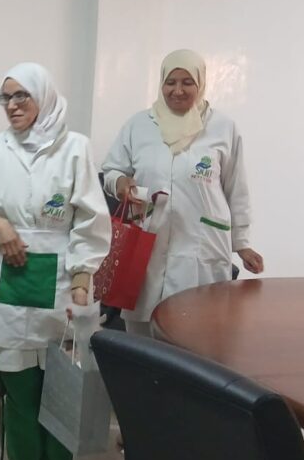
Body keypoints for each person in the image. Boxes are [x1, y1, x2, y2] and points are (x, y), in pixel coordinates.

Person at [0, 63, 111, 460]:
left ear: (44, 97)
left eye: (22, 96)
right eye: (6, 97)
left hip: (62, 279)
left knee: (62, 379)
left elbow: (90, 220)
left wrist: (82, 278)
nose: (12, 105)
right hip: (8, 275)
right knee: (18, 384)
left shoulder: (75, 148)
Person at [101, 49, 264, 337]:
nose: (177, 90)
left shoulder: (223, 128)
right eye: (170, 82)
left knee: (195, 335)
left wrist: (242, 243)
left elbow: (236, 189)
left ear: (201, 83)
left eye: (187, 82)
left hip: (200, 247)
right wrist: (120, 182)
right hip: (147, 244)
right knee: (141, 338)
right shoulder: (139, 125)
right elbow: (112, 169)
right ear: (161, 83)